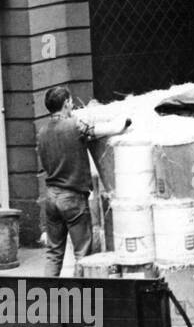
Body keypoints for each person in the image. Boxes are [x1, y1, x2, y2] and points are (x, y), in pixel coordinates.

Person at [36, 87, 130, 277]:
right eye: (71, 102)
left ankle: (46, 297)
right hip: (72, 197)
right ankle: (78, 298)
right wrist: (124, 123)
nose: (72, 105)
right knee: (83, 254)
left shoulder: (42, 132)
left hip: (51, 197)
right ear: (65, 104)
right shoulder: (74, 126)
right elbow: (101, 130)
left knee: (54, 253)